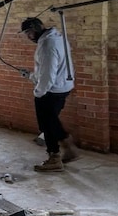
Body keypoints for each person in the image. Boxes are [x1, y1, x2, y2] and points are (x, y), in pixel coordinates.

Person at [20, 17, 79, 172]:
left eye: (29, 32)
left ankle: (54, 158)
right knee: (52, 121)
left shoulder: (47, 44)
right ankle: (68, 147)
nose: (28, 36)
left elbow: (48, 74)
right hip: (63, 86)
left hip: (51, 90)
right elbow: (48, 69)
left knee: (46, 125)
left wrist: (38, 92)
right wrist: (31, 76)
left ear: (37, 28)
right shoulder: (57, 38)